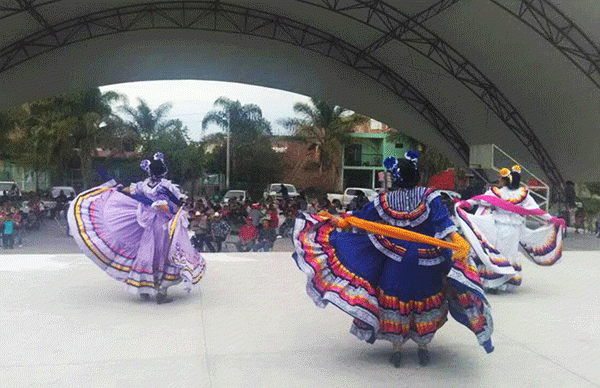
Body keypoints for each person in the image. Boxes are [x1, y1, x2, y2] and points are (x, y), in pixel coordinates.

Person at [293, 151, 493, 367]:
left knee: (394, 298)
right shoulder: (430, 197)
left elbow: (360, 219)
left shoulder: (383, 200)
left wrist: (339, 222)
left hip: (395, 258)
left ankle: (397, 348)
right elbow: (444, 226)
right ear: (417, 175)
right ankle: (422, 345)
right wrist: (458, 242)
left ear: (395, 179)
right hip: (427, 261)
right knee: (427, 297)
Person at [67, 152, 206, 304]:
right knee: (163, 254)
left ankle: (144, 288)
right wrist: (177, 209)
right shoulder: (166, 186)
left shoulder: (144, 185)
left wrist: (118, 189)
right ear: (164, 171)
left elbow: (129, 190)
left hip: (148, 223)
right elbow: (172, 205)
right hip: (163, 226)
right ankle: (161, 291)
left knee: (146, 252)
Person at [455, 165, 564, 293]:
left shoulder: (496, 192)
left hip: (499, 226)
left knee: (498, 252)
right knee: (510, 254)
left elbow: (479, 201)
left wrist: (463, 203)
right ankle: (506, 282)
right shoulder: (523, 194)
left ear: (505, 180)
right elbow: (536, 211)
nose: (499, 180)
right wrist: (552, 219)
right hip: (514, 229)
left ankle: (494, 282)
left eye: (500, 178)